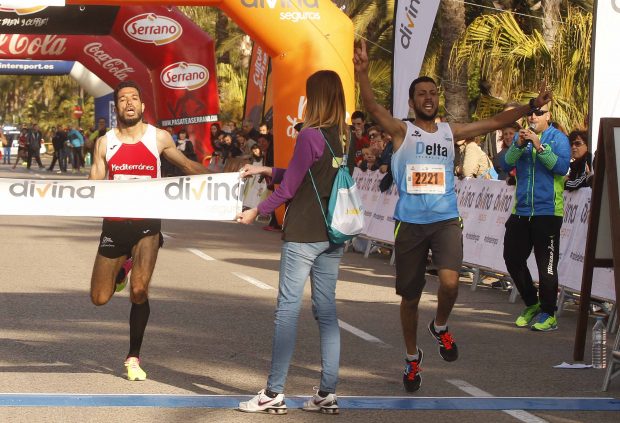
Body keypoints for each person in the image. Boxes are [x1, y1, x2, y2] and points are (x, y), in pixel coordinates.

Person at [354, 38, 554, 392]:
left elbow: (495, 121)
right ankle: (412, 358)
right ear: (413, 101)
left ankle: (441, 327)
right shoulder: (402, 131)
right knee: (411, 298)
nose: (428, 97)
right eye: (422, 93)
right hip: (410, 224)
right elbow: (371, 106)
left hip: (446, 220)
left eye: (433, 92)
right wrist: (363, 72)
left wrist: (529, 105)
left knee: (449, 282)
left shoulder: (450, 132)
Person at [237, 70, 347, 414]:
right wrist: (266, 170)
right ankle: (327, 391)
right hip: (334, 232)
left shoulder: (310, 135)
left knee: (287, 310)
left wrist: (257, 211)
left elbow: (291, 189)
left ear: (315, 98)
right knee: (326, 312)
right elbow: (309, 175)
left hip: (303, 233)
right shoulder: (345, 138)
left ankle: (274, 390)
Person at [89, 80, 211, 382]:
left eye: (134, 98)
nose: (128, 103)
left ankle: (133, 357)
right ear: (116, 107)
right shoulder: (105, 142)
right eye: (122, 99)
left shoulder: (158, 138)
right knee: (99, 298)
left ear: (142, 106)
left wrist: (227, 181)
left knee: (140, 291)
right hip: (114, 225)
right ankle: (123, 267)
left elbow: (185, 165)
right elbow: (93, 183)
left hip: (148, 224)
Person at [500, 103, 571, 332]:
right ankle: (532, 303)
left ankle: (549, 314)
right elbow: (505, 163)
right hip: (521, 211)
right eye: (530, 113)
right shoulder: (520, 137)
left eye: (538, 113)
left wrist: (539, 147)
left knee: (546, 267)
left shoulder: (558, 138)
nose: (532, 116)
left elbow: (561, 168)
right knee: (512, 258)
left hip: (548, 211)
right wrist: (519, 145)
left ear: (548, 115)